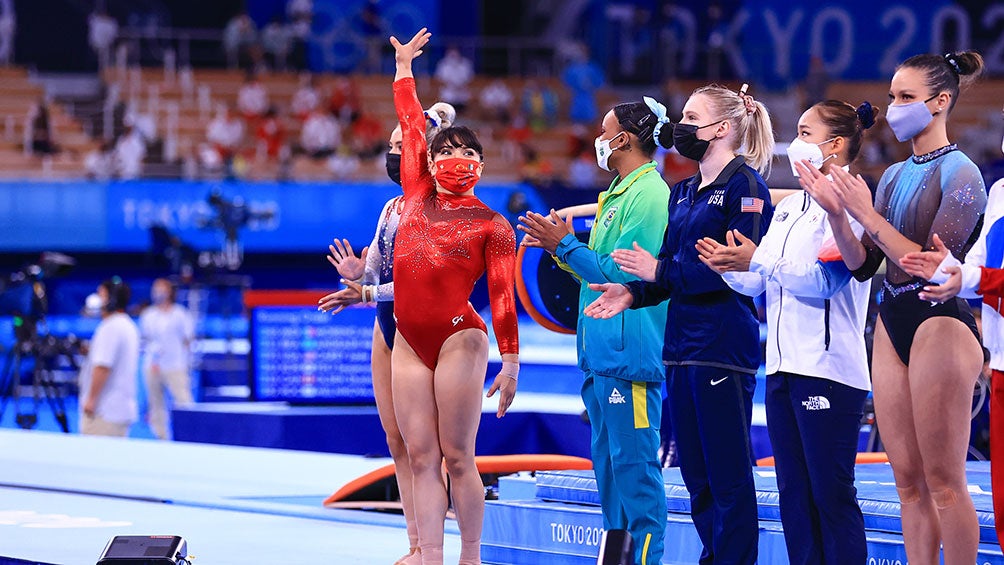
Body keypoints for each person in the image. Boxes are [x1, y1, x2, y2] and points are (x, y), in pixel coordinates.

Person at [585, 83, 775, 565]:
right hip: (681, 348)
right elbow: (670, 266)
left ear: (722, 129)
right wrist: (633, 290)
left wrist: (657, 272)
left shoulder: (745, 186)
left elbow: (732, 272)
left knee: (728, 477)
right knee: (697, 477)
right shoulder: (685, 191)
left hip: (721, 347)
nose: (680, 125)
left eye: (691, 116)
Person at [812, 51, 987, 564]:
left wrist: (865, 212)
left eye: (905, 98)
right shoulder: (890, 176)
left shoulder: (964, 174)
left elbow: (929, 265)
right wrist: (841, 218)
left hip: (940, 322)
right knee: (906, 481)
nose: (893, 107)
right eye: (892, 96)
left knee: (945, 482)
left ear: (940, 102)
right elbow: (866, 265)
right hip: (891, 321)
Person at [697, 99, 878, 564]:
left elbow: (823, 281)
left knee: (830, 495)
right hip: (780, 369)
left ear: (834, 144)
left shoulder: (854, 203)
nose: (795, 141)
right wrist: (727, 265)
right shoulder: (790, 204)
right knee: (793, 497)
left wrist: (756, 259)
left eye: (804, 130)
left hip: (829, 371)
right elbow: (760, 279)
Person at [517, 96, 672, 565]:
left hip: (630, 356)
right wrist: (559, 250)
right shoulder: (619, 194)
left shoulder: (649, 196)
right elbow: (595, 273)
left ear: (624, 138)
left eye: (604, 132)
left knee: (637, 478)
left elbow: (625, 275)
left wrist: (564, 243)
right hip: (601, 353)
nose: (598, 140)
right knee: (610, 476)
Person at [387, 28, 519, 565]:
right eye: (448, 151)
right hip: (408, 340)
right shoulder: (415, 191)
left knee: (458, 456)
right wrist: (403, 67)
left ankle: (471, 556)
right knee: (420, 455)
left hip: (459, 337)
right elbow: (411, 120)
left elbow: (503, 295)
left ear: (481, 166)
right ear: (429, 162)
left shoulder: (493, 225)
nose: (456, 158)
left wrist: (510, 363)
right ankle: (431, 556)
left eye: (468, 152)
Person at [318, 100, 455, 565]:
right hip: (387, 329)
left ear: (425, 154)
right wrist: (359, 275)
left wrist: (366, 293)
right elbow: (377, 269)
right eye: (391, 147)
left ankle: (435, 550)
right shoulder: (391, 207)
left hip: (424, 335)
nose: (394, 155)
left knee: (426, 450)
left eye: (402, 146)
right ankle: (414, 545)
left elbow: (417, 285)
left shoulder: (441, 208)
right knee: (397, 442)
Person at [898, 104, 1004, 553]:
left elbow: (981, 278)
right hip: (1001, 367)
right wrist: (946, 270)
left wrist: (973, 279)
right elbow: (978, 264)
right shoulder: (1001, 191)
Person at [80, 278, 139, 437]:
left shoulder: (110, 327)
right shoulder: (127, 324)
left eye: (101, 294)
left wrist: (91, 400)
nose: (97, 299)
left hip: (104, 411)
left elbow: (103, 367)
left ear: (111, 300)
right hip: (119, 409)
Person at [139, 278, 195, 441]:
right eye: (155, 289)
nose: (157, 292)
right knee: (156, 405)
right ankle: (161, 437)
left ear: (169, 291)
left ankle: (189, 436)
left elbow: (188, 340)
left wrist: (184, 361)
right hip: (153, 366)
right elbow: (145, 340)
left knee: (183, 401)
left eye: (161, 289)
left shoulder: (180, 314)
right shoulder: (148, 315)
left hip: (175, 365)